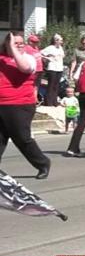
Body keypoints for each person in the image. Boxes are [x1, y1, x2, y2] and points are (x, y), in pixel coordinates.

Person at [0, 31, 50, 179]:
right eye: (15, 43)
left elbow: (25, 68)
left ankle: (43, 163)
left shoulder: (28, 58)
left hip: (20, 104)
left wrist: (13, 48)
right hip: (1, 104)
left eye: (21, 43)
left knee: (21, 138)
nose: (20, 45)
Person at [40, 34, 65, 107]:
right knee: (51, 85)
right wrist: (47, 58)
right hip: (52, 68)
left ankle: (54, 101)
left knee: (57, 85)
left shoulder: (60, 48)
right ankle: (48, 102)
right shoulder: (50, 48)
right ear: (56, 41)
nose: (61, 42)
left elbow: (62, 56)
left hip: (59, 68)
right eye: (60, 40)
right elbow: (40, 53)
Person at [23, 34, 43, 101]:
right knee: (31, 84)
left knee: (36, 85)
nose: (36, 43)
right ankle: (29, 98)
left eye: (37, 42)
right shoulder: (26, 48)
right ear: (30, 41)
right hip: (33, 70)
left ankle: (35, 98)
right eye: (34, 42)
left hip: (39, 69)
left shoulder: (36, 48)